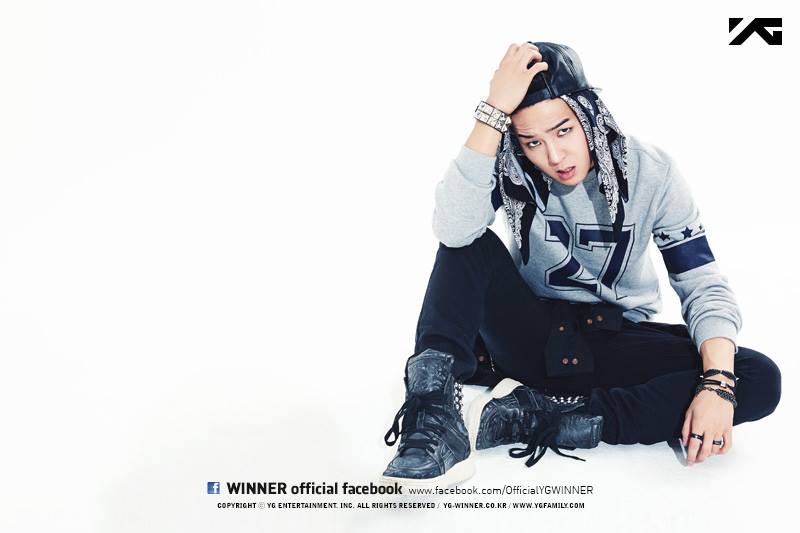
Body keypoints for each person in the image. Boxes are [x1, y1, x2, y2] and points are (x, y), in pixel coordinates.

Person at [380, 41, 781, 489]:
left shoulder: (652, 173)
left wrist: (718, 385)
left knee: (757, 377)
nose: (554, 156)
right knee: (467, 243)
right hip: (529, 336)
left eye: (563, 131)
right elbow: (453, 230)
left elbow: (701, 283)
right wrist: (492, 112)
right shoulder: (510, 166)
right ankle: (433, 419)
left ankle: (543, 418)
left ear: (590, 113)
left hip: (611, 343)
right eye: (533, 141)